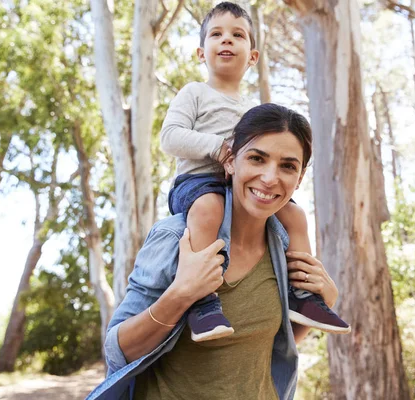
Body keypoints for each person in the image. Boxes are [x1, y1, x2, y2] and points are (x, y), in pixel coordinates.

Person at [86, 104, 344, 400]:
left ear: (299, 178)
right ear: (231, 160)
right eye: (257, 158)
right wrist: (181, 294)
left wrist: (325, 299)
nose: (270, 178)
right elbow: (119, 351)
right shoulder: (177, 237)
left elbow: (273, 344)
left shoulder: (284, 247)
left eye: (287, 166)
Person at [160, 1, 349, 343]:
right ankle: (202, 301)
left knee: (295, 215)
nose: (227, 40)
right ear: (202, 53)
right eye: (217, 34)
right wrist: (218, 148)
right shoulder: (195, 93)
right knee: (209, 208)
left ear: (253, 56)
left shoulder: (255, 110)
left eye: (238, 35)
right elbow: (169, 137)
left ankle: (302, 293)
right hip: (198, 182)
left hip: (241, 186)